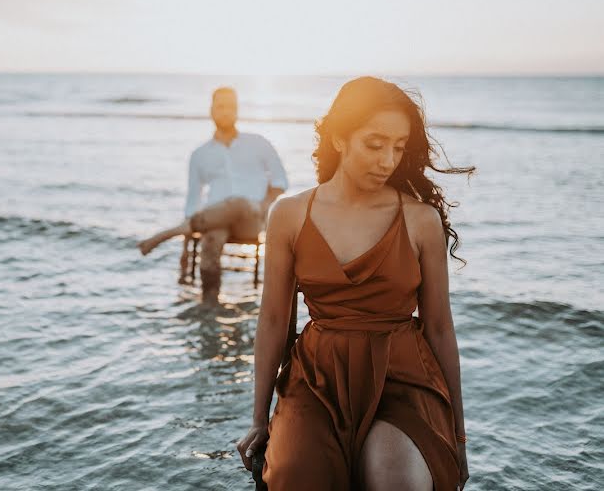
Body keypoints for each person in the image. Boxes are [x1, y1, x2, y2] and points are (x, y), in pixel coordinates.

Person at [236, 77, 473, 490]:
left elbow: (439, 327)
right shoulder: (290, 215)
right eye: (375, 144)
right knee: (296, 477)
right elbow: (274, 320)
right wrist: (259, 419)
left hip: (402, 378)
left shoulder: (420, 221)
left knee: (396, 479)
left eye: (399, 147)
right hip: (317, 379)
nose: (388, 160)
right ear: (340, 138)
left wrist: (458, 433)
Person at [137, 86, 288, 303]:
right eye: (221, 106)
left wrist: (264, 205)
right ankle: (210, 305)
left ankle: (166, 234)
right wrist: (185, 250)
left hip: (251, 219)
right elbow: (193, 203)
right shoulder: (200, 155)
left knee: (238, 203)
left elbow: (281, 181)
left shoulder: (259, 143)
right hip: (214, 221)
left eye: (231, 107)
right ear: (211, 110)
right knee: (209, 244)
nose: (226, 111)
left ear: (237, 110)